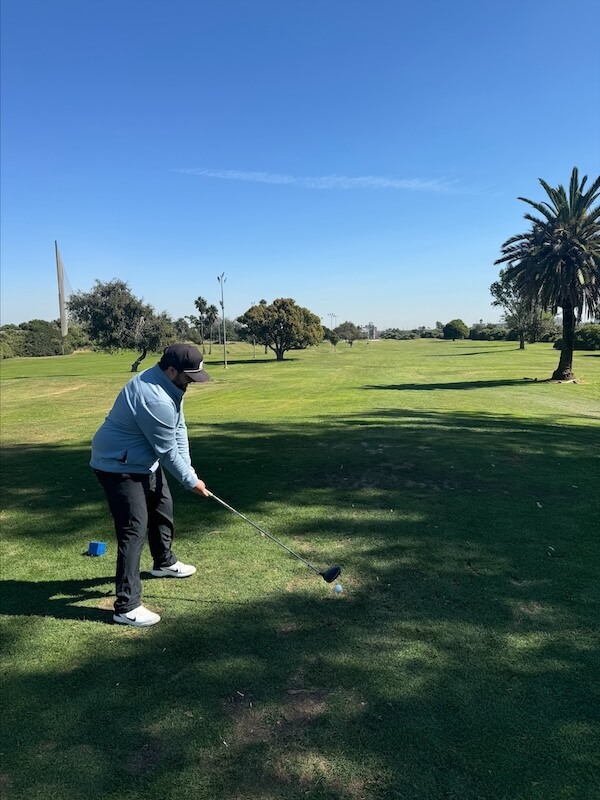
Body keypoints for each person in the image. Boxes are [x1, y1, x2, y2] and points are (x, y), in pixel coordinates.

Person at [91, 343, 211, 627]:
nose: (192, 382)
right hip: (117, 465)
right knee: (134, 529)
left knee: (162, 506)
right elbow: (167, 450)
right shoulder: (154, 397)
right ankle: (126, 606)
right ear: (171, 370)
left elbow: (179, 428)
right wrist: (190, 481)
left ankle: (163, 562)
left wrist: (190, 471)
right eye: (189, 376)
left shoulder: (169, 384)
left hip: (143, 461)